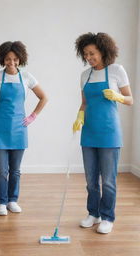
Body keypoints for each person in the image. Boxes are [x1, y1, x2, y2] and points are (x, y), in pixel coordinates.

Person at [73, 32, 133, 234]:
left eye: (92, 53)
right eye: (86, 54)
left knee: (108, 180)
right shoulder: (85, 75)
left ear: (103, 50)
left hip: (109, 132)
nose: (89, 58)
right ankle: (94, 214)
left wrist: (118, 96)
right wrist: (79, 116)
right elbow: (84, 103)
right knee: (91, 181)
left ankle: (107, 217)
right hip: (89, 132)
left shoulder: (116, 70)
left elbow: (130, 99)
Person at [0, 41, 48, 216]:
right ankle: (1, 202)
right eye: (7, 59)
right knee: (1, 170)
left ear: (20, 59)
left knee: (15, 170)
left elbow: (43, 97)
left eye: (15, 59)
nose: (11, 63)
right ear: (2, 59)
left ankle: (12, 200)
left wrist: (33, 116)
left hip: (19, 129)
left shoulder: (27, 77)